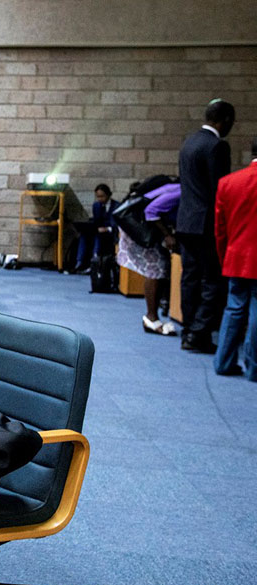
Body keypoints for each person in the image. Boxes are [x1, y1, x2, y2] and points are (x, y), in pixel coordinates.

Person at [177, 99, 234, 353]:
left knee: (189, 278)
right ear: (226, 120)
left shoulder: (188, 142)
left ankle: (189, 329)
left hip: (186, 221)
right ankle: (199, 333)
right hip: (206, 224)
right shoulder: (217, 146)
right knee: (213, 280)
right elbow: (218, 191)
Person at [213, 137, 257, 380]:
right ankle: (254, 368)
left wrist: (224, 257)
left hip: (236, 257)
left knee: (234, 309)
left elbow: (220, 229)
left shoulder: (228, 182)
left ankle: (223, 362)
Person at [118, 180, 178, 337]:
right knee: (155, 270)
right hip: (137, 228)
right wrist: (168, 235)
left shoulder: (179, 187)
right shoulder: (180, 191)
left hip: (141, 225)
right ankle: (151, 318)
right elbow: (151, 211)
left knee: (160, 269)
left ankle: (152, 316)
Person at [73, 184, 119, 273]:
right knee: (84, 235)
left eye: (102, 196)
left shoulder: (116, 206)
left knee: (98, 236)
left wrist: (107, 229)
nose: (100, 199)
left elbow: (116, 224)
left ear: (109, 195)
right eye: (98, 197)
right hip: (98, 229)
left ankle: (95, 261)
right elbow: (96, 221)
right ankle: (79, 262)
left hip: (111, 231)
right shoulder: (96, 205)